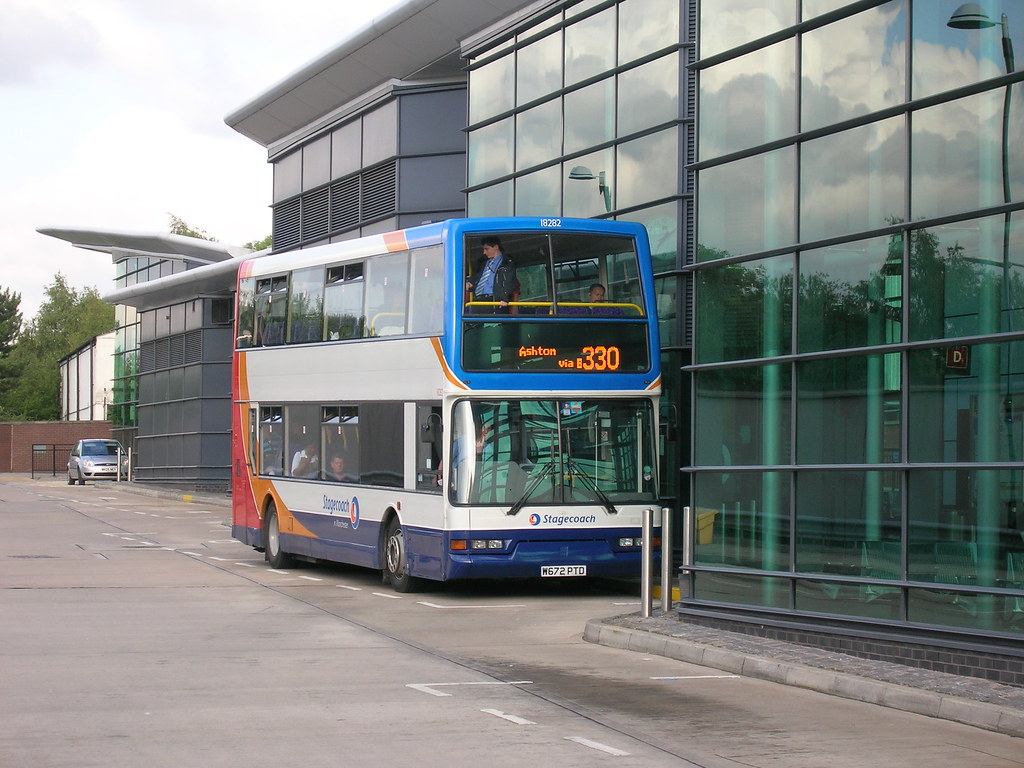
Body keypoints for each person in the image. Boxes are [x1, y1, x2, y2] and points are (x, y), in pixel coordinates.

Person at [466, 236, 517, 314]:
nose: (484, 252)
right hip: (477, 300)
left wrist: (504, 298)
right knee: (473, 324)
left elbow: (509, 281)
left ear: (496, 247)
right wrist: (470, 282)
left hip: (494, 301)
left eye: (487, 249)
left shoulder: (507, 263)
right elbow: (478, 276)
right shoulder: (483, 263)